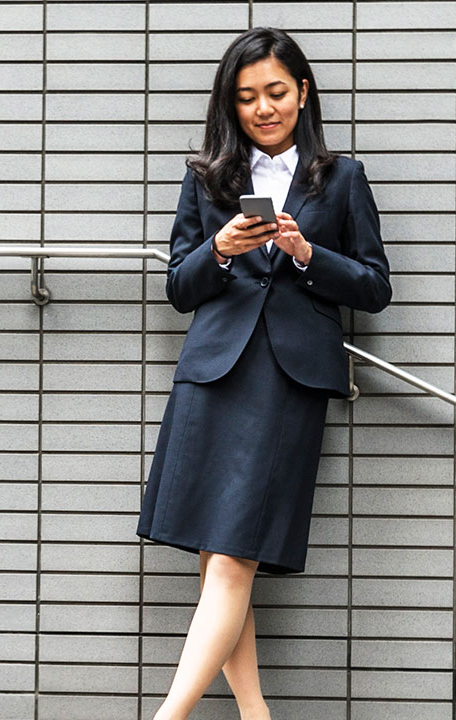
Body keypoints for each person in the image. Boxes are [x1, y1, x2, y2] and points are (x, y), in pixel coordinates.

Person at [136, 27, 391, 720]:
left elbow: (374, 286)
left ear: (303, 93)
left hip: (287, 382)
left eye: (276, 92)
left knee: (231, 559)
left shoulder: (342, 179)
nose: (263, 107)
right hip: (212, 376)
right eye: (247, 97)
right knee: (217, 558)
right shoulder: (207, 177)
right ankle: (255, 714)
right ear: (231, 104)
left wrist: (309, 253)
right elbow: (179, 289)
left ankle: (169, 715)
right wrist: (218, 248)